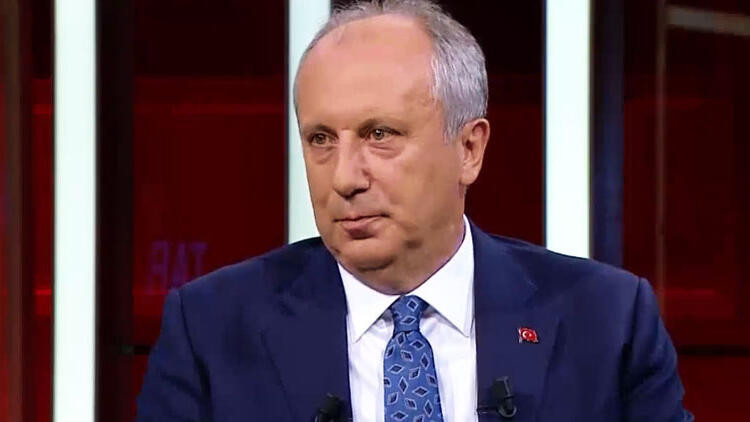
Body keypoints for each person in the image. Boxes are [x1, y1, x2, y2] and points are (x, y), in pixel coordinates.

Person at [137, 1, 692, 421]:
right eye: (321, 139)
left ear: (469, 149)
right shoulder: (210, 332)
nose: (344, 178)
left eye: (380, 135)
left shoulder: (607, 322)